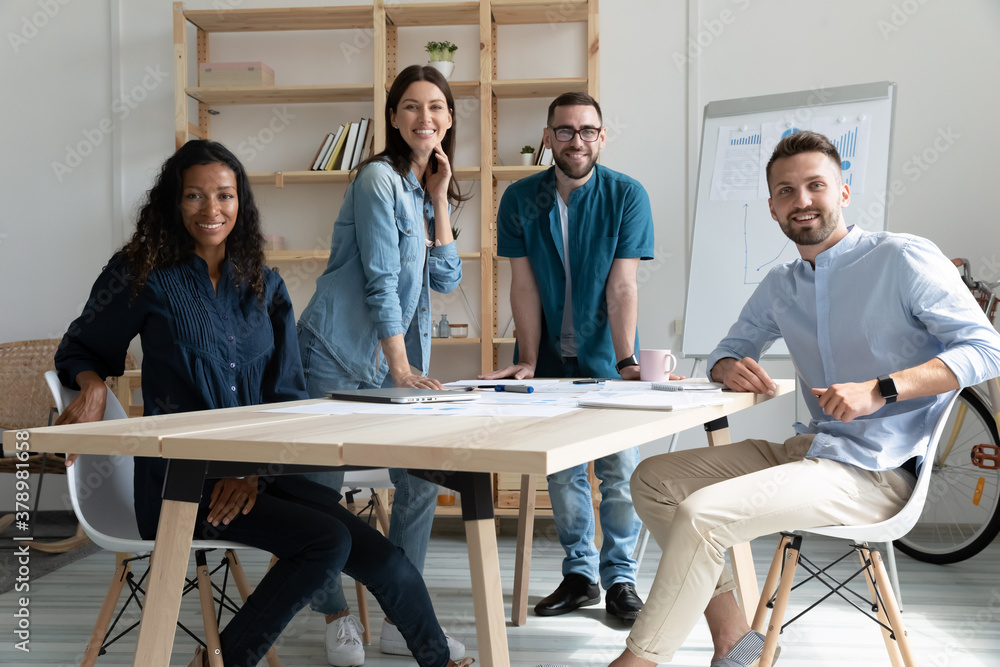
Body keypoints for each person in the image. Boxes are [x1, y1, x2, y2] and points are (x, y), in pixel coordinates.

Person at [53, 139, 473, 667]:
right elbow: (81, 347)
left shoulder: (263, 283)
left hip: (258, 476)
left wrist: (251, 469)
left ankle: (438, 660)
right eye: (194, 197)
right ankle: (222, 660)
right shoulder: (140, 272)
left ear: (240, 203)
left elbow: (289, 397)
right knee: (325, 542)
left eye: (225, 196)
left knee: (381, 555)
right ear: (172, 202)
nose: (212, 210)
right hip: (176, 481)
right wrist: (93, 386)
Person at [609, 130, 1000, 667]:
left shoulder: (902, 257)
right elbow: (728, 350)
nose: (803, 201)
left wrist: (881, 389)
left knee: (703, 515)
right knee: (653, 479)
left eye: (816, 185)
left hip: (879, 471)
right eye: (786, 191)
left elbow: (987, 349)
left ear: (842, 192)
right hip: (814, 450)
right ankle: (734, 643)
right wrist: (729, 367)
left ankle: (637, 663)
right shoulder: (782, 284)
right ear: (772, 207)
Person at [295, 64, 467, 665]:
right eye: (413, 107)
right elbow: (380, 281)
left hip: (387, 363)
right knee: (316, 495)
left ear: (449, 117)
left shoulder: (422, 189)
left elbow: (446, 277)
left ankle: (399, 614)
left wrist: (442, 199)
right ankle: (335, 613)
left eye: (438, 107)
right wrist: (399, 366)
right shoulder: (376, 180)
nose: (427, 118)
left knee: (419, 481)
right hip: (334, 354)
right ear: (393, 117)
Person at [480, 92, 663, 622]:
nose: (576, 140)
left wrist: (627, 361)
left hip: (608, 361)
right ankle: (580, 574)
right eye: (565, 131)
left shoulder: (627, 195)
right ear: (547, 137)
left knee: (620, 473)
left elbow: (623, 285)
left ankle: (621, 579)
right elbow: (523, 283)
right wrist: (530, 358)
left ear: (601, 137)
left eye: (587, 131)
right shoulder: (519, 198)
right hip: (548, 367)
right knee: (562, 475)